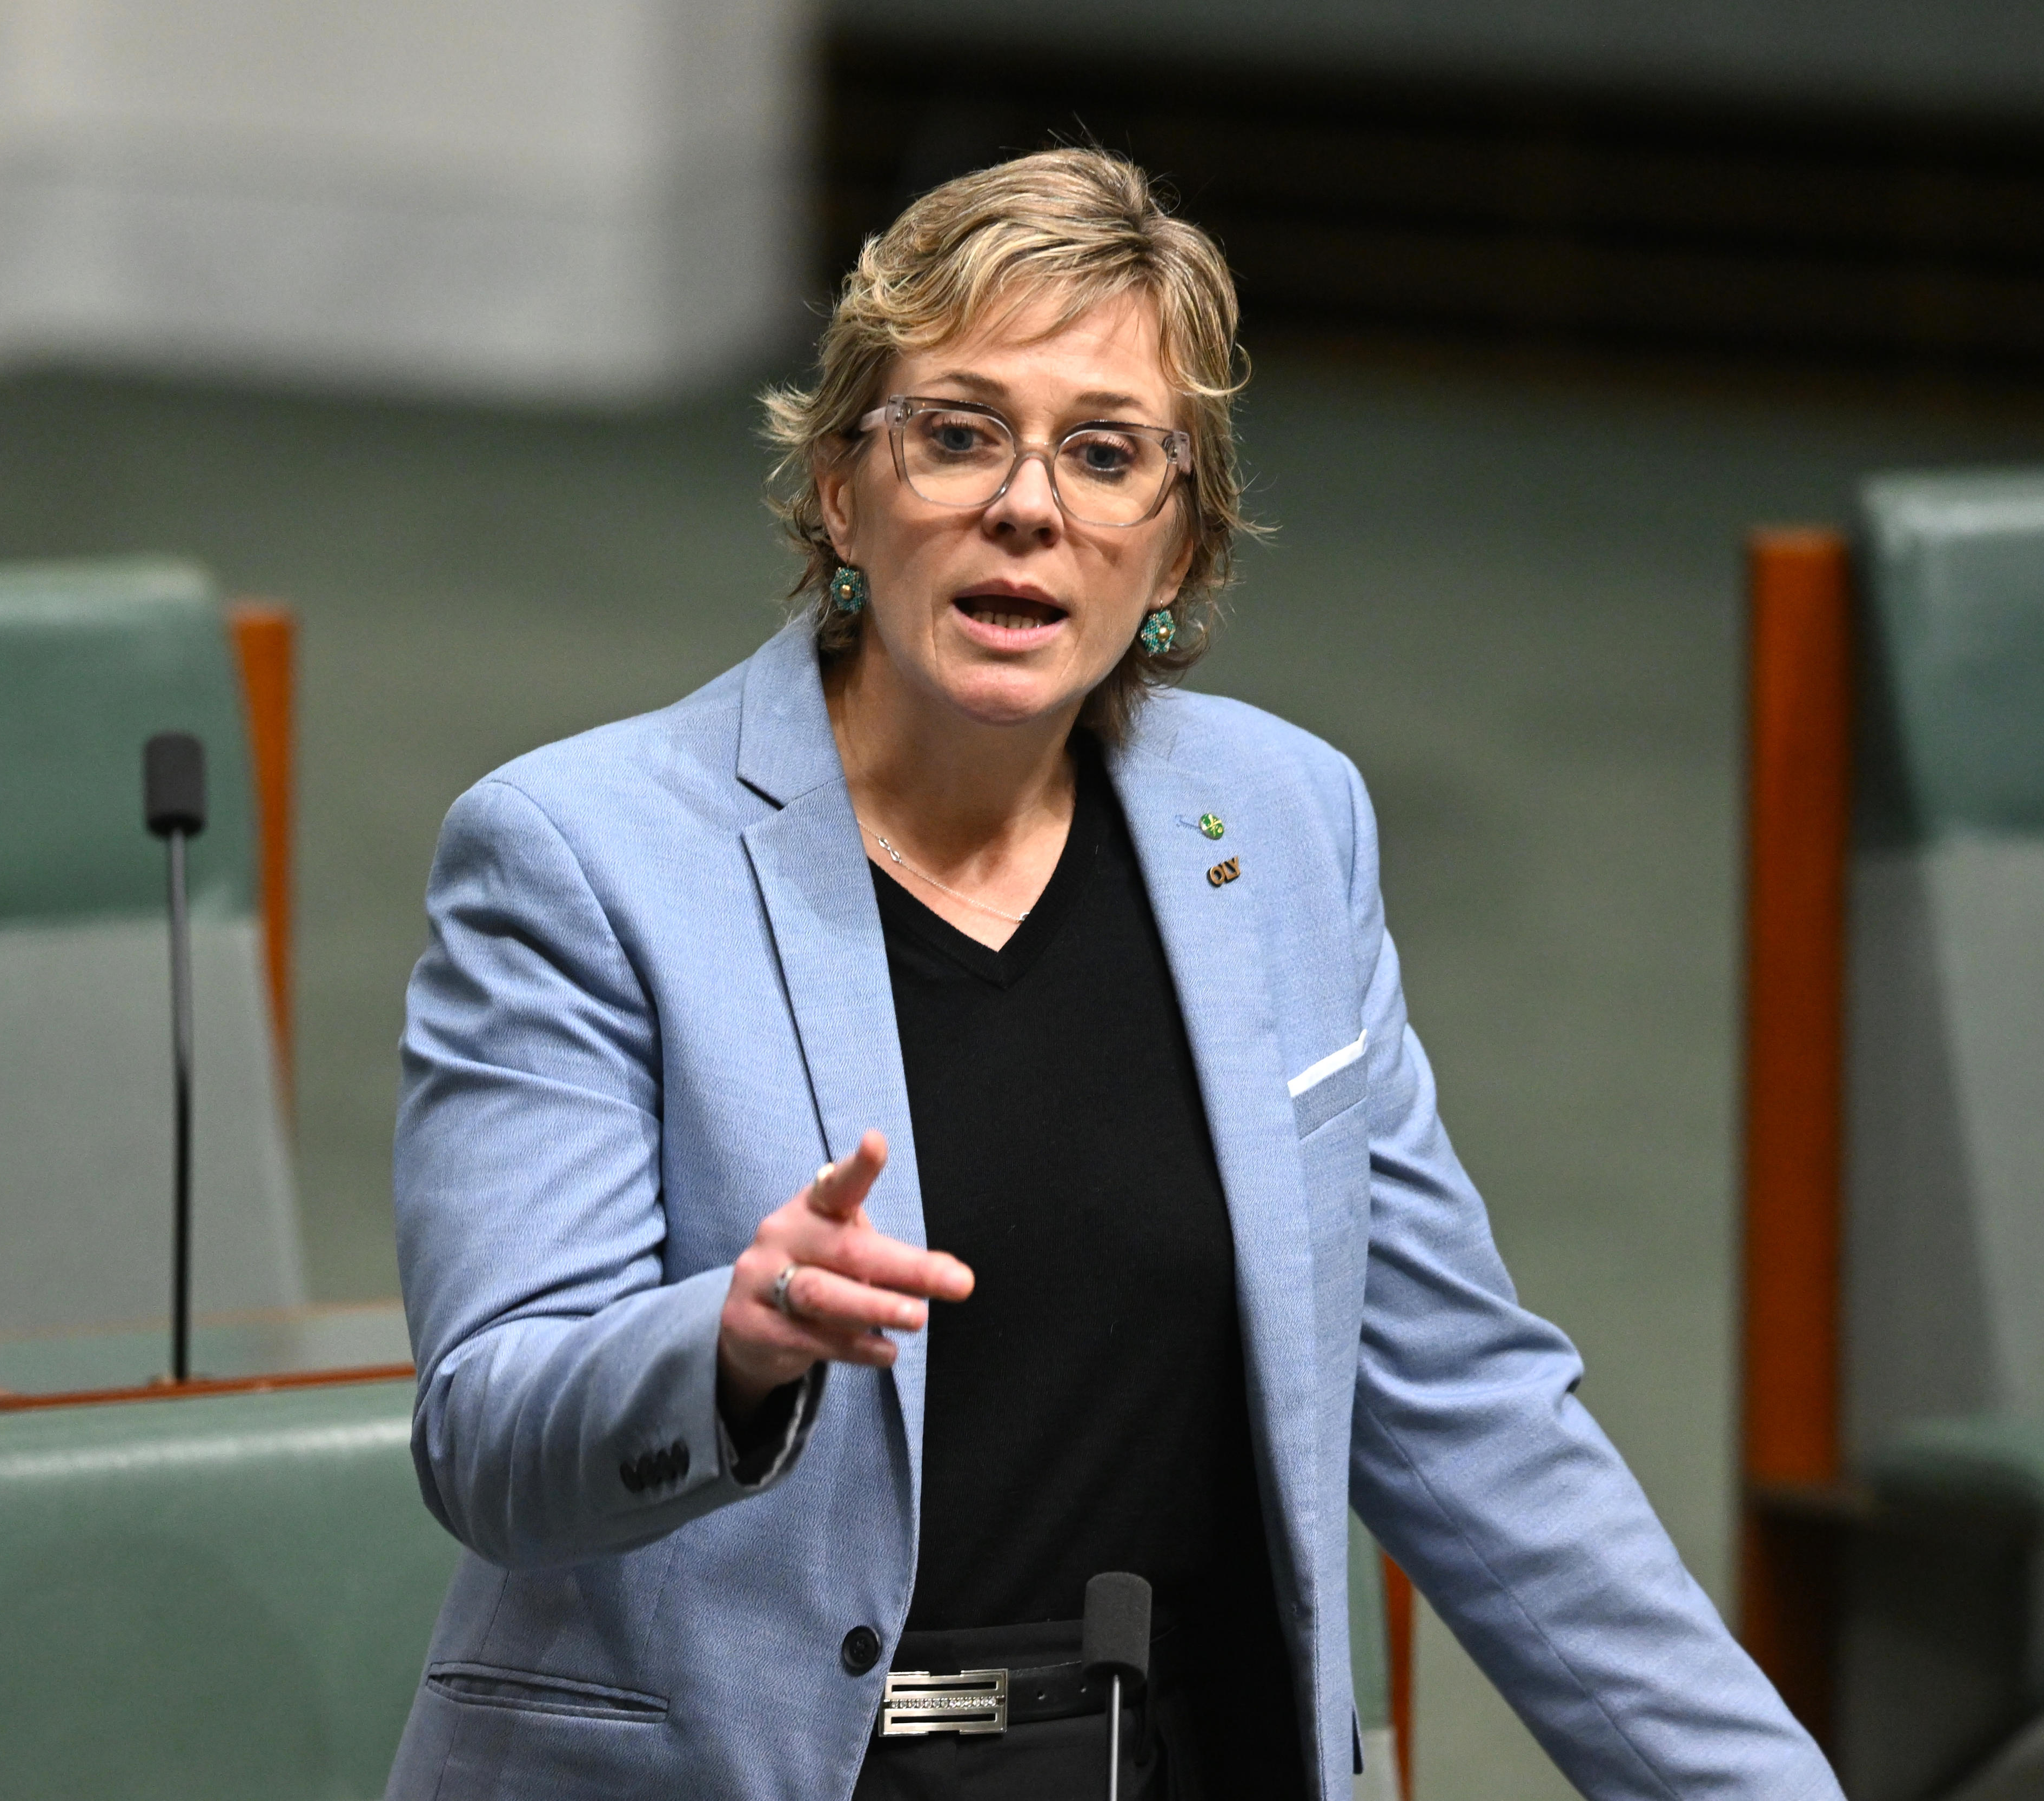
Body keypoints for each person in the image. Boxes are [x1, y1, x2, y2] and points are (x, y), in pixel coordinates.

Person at [386, 149, 1842, 1801]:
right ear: (843, 493)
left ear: (1180, 546)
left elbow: (1465, 1407)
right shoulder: (580, 856)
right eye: (957, 432)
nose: (1029, 503)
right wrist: (726, 1348)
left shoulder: (1281, 828)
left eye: (1104, 454)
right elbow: (490, 1435)